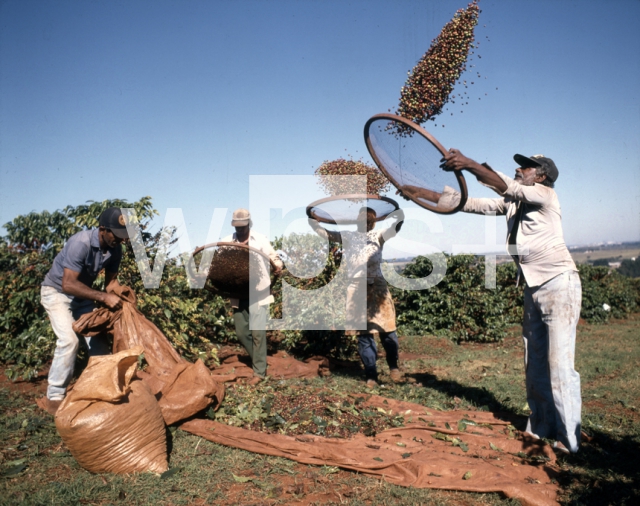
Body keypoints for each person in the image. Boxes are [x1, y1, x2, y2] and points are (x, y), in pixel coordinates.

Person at [404, 150, 582, 453]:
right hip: (533, 286)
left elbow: (505, 186)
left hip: (558, 284)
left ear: (540, 176)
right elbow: (470, 204)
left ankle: (569, 440)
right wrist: (421, 193)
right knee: (535, 361)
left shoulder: (544, 195)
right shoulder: (513, 203)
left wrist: (470, 164)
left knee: (560, 364)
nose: (518, 168)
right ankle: (540, 427)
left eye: (525, 166)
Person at [39, 207, 129, 415]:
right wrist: (104, 297)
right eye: (117, 235)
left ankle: (101, 389)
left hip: (83, 296)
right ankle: (55, 395)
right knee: (69, 340)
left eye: (124, 236)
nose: (121, 240)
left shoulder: (116, 249)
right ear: (103, 230)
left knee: (98, 340)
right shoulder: (80, 243)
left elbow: (111, 284)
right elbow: (68, 284)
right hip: (57, 292)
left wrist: (121, 295)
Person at [309, 207, 405, 388]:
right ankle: (371, 375)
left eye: (369, 220)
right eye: (363, 220)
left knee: (388, 332)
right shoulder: (349, 237)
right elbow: (326, 234)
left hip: (377, 287)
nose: (366, 223)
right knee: (364, 335)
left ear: (373, 222)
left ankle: (393, 367)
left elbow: (395, 228)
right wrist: (312, 221)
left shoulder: (379, 235)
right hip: (356, 289)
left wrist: (400, 217)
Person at [221, 208, 283, 384]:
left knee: (258, 332)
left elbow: (274, 256)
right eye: (237, 227)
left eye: (243, 226)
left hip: (258, 291)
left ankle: (259, 372)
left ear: (249, 224)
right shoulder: (227, 241)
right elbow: (220, 261)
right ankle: (258, 360)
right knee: (241, 333)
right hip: (238, 292)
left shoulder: (260, 239)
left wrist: (278, 266)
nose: (240, 230)